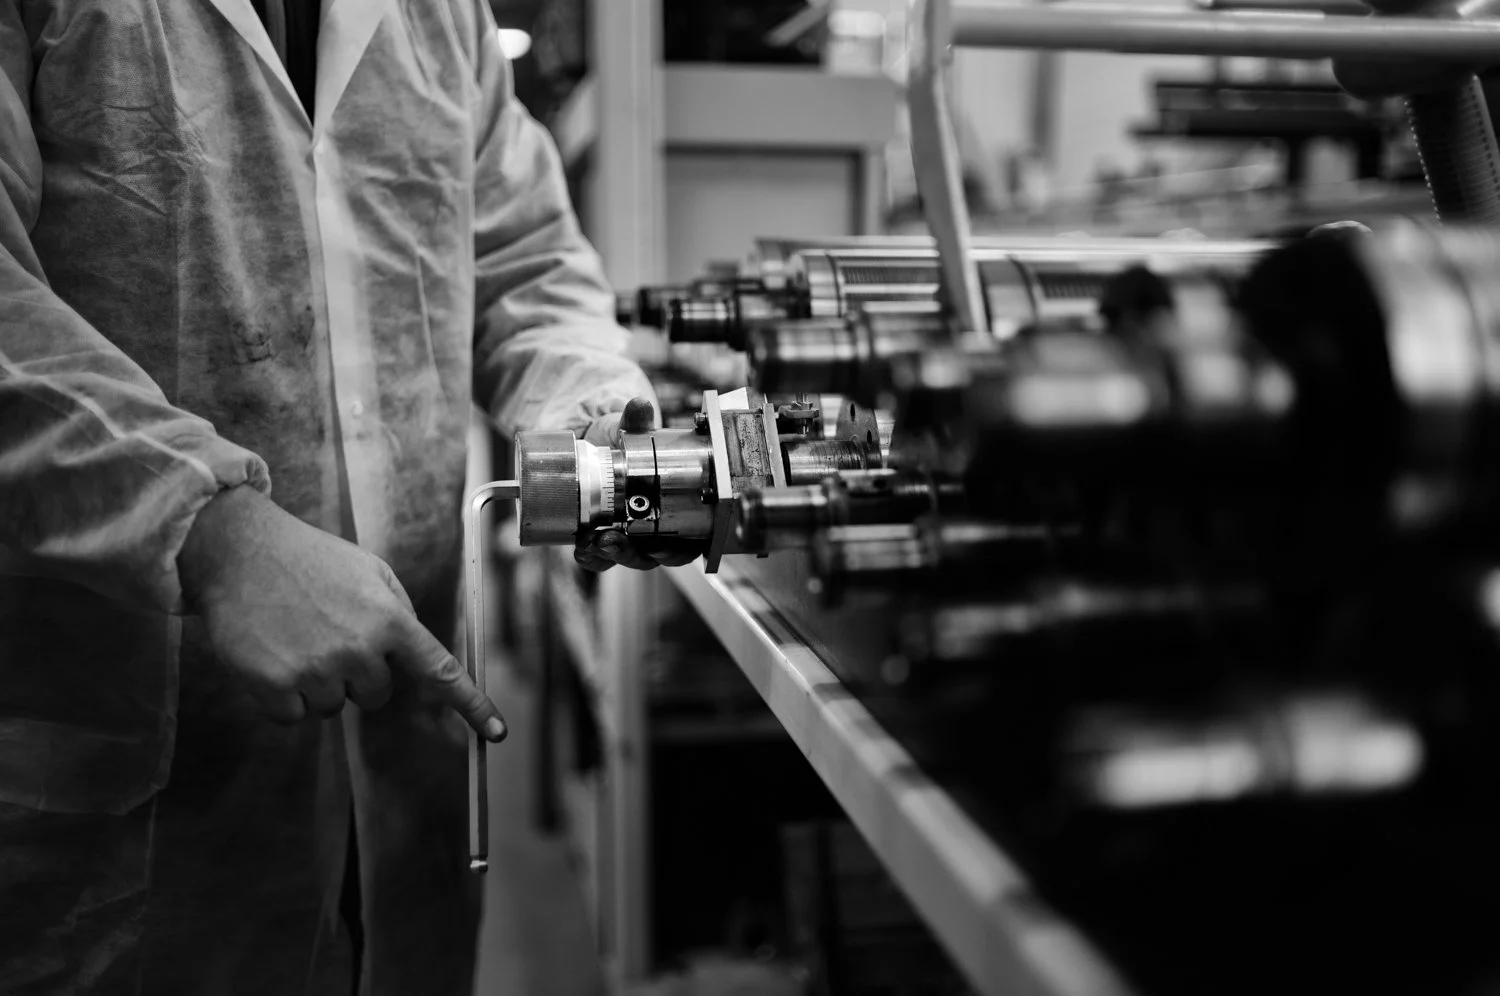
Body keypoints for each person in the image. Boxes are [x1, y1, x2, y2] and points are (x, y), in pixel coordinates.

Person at [0, 1, 691, 992]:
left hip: (405, 769)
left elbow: (525, 258)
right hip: (138, 786)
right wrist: (211, 530)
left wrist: (584, 412)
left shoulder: (443, 16)